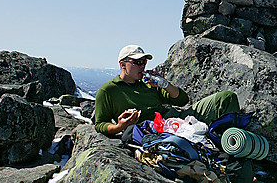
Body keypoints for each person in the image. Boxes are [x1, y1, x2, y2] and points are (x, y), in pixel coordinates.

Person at [94, 44, 241, 136]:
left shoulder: (148, 83)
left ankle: (232, 139)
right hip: (157, 130)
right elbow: (100, 123)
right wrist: (119, 126)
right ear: (123, 64)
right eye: (137, 62)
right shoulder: (108, 90)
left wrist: (164, 84)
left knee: (226, 97)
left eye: (144, 62)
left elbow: (183, 100)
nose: (142, 66)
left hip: (178, 119)